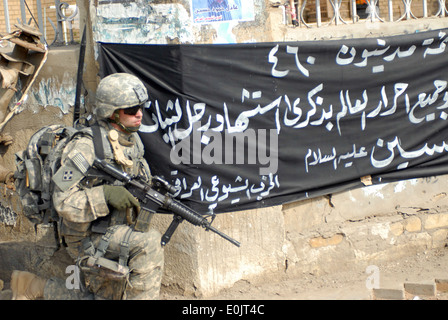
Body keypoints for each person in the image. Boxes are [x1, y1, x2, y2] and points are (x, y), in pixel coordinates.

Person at [11, 73, 164, 300]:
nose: (140, 114)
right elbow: (62, 201)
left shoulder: (133, 141)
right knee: (148, 243)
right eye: (131, 110)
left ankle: (33, 286)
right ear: (112, 113)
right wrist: (105, 195)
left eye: (141, 107)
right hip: (84, 234)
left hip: (110, 228)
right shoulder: (85, 146)